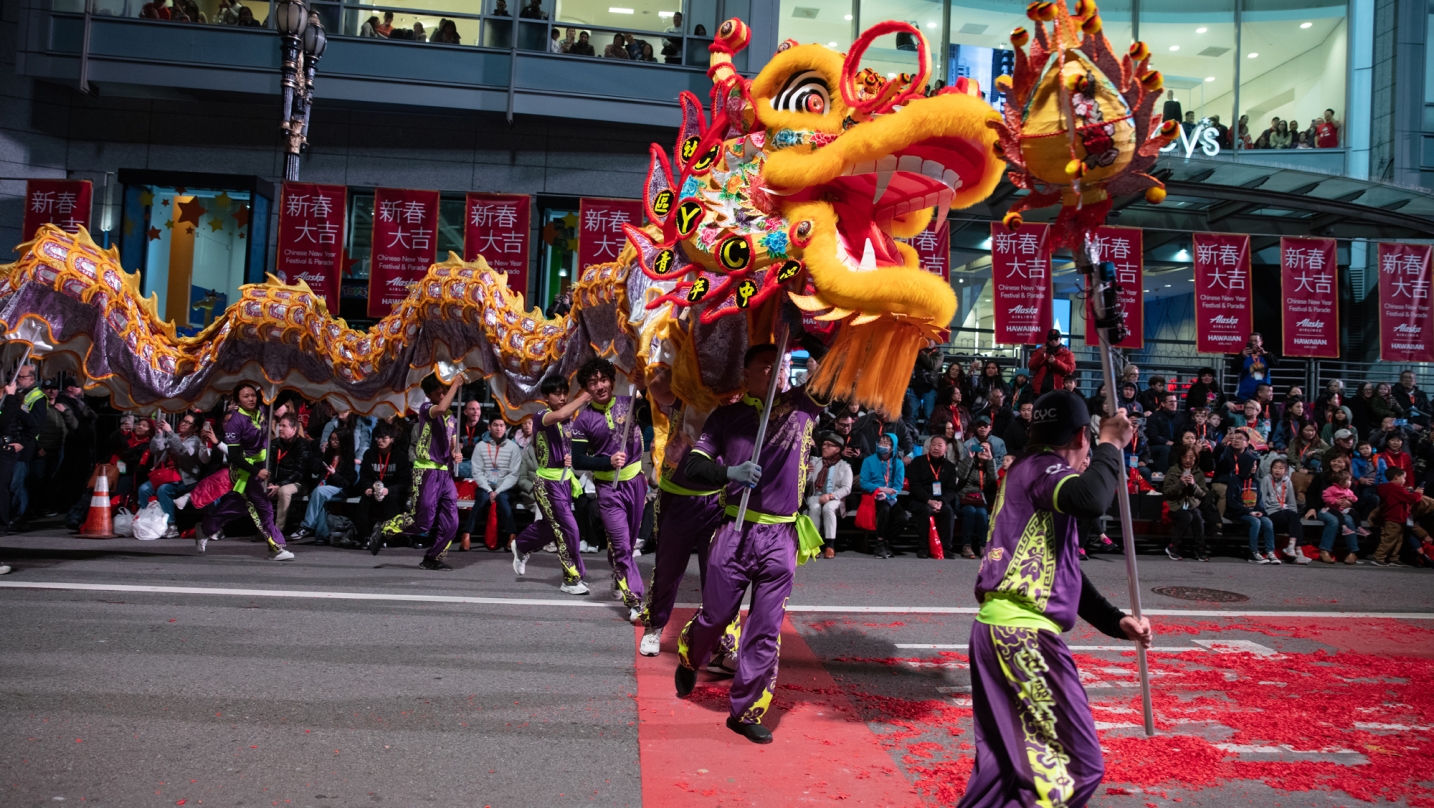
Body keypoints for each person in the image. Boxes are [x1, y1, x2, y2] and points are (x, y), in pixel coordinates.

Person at [955, 391, 1150, 808]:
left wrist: (1116, 621)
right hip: (1021, 635)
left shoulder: (1024, 471)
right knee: (1074, 767)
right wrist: (1111, 445)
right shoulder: (1046, 468)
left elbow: (1064, 572)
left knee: (1004, 773)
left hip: (999, 630)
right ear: (1082, 436)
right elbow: (1091, 498)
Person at [674, 341, 825, 745]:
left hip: (782, 537)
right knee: (717, 616)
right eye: (767, 365)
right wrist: (729, 473)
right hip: (735, 532)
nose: (777, 372)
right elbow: (692, 463)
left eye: (783, 365)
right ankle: (691, 650)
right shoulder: (727, 416)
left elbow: (833, 379)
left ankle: (746, 711)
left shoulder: (803, 406)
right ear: (746, 374)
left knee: (765, 630)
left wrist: (816, 342)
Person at [570, 358, 648, 619]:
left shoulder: (631, 404)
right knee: (622, 545)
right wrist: (607, 461)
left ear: (612, 381)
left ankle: (619, 574)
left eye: (604, 380)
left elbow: (653, 415)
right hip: (608, 489)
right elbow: (579, 461)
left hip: (636, 484)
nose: (600, 386)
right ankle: (635, 600)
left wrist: (645, 386)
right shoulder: (582, 421)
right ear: (586, 389)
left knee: (628, 544)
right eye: (593, 382)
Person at [368, 374, 462, 570]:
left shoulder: (451, 417)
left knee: (452, 521)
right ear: (428, 395)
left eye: (445, 391)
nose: (443, 394)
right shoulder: (427, 409)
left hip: (445, 473)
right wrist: (456, 385)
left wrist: (456, 452)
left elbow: (453, 443)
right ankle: (385, 528)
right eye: (439, 393)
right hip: (426, 470)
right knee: (423, 521)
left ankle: (433, 558)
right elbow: (442, 406)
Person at [512, 375, 593, 595]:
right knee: (569, 529)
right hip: (547, 482)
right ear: (546, 397)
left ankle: (522, 545)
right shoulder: (542, 416)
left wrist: (570, 458)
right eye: (557, 393)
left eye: (564, 393)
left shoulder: (567, 421)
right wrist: (584, 396)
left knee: (550, 528)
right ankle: (571, 578)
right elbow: (564, 412)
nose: (562, 397)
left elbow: (569, 447)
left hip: (565, 481)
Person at [196, 383, 293, 560]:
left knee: (237, 507)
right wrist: (257, 471)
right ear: (237, 401)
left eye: (252, 395)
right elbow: (234, 456)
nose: (250, 399)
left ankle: (205, 529)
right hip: (243, 470)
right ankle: (275, 548)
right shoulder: (235, 422)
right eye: (245, 396)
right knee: (264, 508)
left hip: (257, 468)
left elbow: (284, 391)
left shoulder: (263, 409)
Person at [136, 411, 210, 536]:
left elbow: (182, 451)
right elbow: (156, 450)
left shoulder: (195, 441)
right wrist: (159, 435)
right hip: (166, 475)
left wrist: (170, 432)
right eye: (183, 421)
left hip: (185, 478)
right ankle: (147, 521)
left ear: (195, 428)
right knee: (143, 489)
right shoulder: (175, 435)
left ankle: (171, 525)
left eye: (188, 423)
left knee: (164, 490)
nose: (183, 424)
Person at [461, 417, 521, 552]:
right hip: (485, 487)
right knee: (481, 498)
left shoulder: (513, 447)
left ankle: (512, 535)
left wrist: (498, 491)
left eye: (501, 425)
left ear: (506, 428)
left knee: (502, 499)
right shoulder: (481, 446)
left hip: (506, 488)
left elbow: (514, 474)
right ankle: (467, 534)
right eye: (495, 425)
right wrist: (489, 490)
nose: (498, 428)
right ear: (489, 427)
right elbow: (477, 472)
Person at [290, 431, 355, 545]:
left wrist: (334, 474)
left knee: (319, 492)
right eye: (331, 439)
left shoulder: (348, 457)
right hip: (325, 487)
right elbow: (315, 469)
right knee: (319, 497)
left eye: (336, 440)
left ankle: (306, 525)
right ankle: (321, 536)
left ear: (343, 442)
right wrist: (321, 454)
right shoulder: (329, 454)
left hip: (341, 489)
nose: (332, 442)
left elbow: (346, 483)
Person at [349, 426, 409, 542]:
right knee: (364, 501)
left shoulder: (400, 456)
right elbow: (365, 475)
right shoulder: (369, 454)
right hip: (374, 488)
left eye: (384, 438)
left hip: (392, 491)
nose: (380, 441)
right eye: (378, 438)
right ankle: (365, 537)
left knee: (392, 501)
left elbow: (404, 481)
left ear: (392, 439)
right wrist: (367, 487)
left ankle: (386, 537)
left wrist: (389, 490)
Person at [905, 434, 959, 558]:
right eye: (933, 445)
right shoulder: (918, 462)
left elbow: (951, 490)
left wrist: (941, 502)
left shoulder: (949, 466)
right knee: (925, 510)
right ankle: (923, 547)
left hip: (940, 500)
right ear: (929, 447)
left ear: (946, 448)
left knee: (948, 511)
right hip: (919, 499)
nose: (936, 448)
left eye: (940, 445)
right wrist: (929, 501)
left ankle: (946, 548)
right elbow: (915, 486)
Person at [805, 431, 852, 558]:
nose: (824, 447)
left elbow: (847, 488)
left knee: (828, 508)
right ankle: (813, 545)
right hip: (816, 494)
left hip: (834, 497)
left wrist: (830, 496)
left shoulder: (845, 467)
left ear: (837, 449)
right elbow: (808, 483)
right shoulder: (815, 462)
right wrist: (806, 473)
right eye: (824, 444)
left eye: (828, 445)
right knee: (814, 507)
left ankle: (830, 545)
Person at [859, 432, 905, 559]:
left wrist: (888, 495)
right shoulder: (868, 460)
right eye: (881, 442)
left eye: (886, 443)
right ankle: (879, 544)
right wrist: (881, 489)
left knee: (902, 517)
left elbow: (897, 486)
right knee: (884, 509)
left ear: (893, 447)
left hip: (890, 498)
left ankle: (885, 542)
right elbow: (864, 483)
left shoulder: (898, 464)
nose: (882, 445)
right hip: (872, 495)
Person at [1163, 445, 1208, 561]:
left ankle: (1200, 548)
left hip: (1192, 505)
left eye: (1192, 457)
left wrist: (1193, 485)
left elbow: (1203, 494)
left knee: (1197, 516)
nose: (1188, 460)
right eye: (1185, 457)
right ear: (1181, 458)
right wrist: (1180, 484)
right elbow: (1167, 492)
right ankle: (1173, 546)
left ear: (1196, 458)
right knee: (1186, 516)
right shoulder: (1173, 471)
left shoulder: (1198, 473)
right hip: (1174, 506)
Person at [266, 413, 310, 532]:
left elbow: (299, 472)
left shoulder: (303, 445)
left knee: (284, 491)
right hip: (277, 481)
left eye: (284, 426)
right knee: (259, 488)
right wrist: (270, 482)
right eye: (280, 425)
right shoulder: (275, 444)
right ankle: (263, 528)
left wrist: (280, 485)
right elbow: (269, 465)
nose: (280, 428)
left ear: (294, 429)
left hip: (298, 483)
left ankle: (277, 531)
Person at [954, 438, 996, 559]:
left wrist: (990, 459)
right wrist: (970, 458)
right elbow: (961, 475)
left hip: (979, 500)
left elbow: (993, 478)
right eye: (981, 448)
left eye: (986, 449)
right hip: (963, 497)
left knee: (982, 513)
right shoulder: (969, 461)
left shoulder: (988, 465)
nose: (983, 451)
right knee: (970, 512)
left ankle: (983, 546)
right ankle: (966, 546)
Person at [1373, 467, 1424, 566]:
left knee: (1398, 540)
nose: (1404, 480)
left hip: (1398, 519)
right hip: (1393, 518)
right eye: (1403, 478)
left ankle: (1393, 558)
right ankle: (1378, 557)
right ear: (1396, 477)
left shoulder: (1390, 488)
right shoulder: (1396, 489)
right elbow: (1412, 498)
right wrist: (1418, 493)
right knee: (1389, 539)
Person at [1262, 458, 1309, 565]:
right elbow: (1263, 498)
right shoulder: (1266, 479)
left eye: (1280, 468)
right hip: (1271, 511)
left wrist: (1294, 514)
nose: (1277, 470)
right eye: (1275, 467)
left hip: (1286, 510)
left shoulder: (1287, 481)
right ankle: (1296, 550)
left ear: (1285, 471)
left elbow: (1291, 501)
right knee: (1295, 520)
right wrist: (1263, 513)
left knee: (1297, 520)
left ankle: (1295, 549)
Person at [1145, 392, 1186, 474]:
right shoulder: (1154, 417)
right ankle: (1163, 475)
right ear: (1163, 404)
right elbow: (1154, 436)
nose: (1174, 404)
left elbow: (1183, 433)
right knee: (1167, 449)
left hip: (1176, 444)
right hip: (1156, 445)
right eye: (1171, 402)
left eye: (1175, 402)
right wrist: (1168, 442)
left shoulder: (1180, 417)